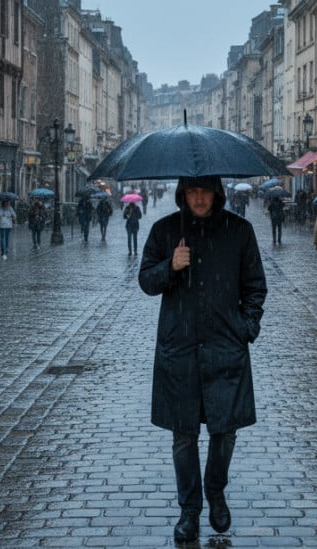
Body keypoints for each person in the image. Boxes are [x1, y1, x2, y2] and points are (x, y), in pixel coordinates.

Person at [138, 176, 265, 542]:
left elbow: (255, 284)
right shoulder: (165, 231)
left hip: (226, 346)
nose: (198, 199)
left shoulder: (238, 231)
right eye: (191, 192)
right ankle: (189, 509)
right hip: (180, 348)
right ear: (182, 194)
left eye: (204, 191)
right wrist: (170, 267)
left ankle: (216, 490)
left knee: (225, 432)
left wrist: (246, 327)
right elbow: (146, 281)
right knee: (184, 435)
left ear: (216, 193)